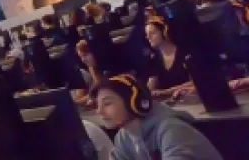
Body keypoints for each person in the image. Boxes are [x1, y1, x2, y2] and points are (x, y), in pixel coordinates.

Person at [92, 74, 222, 159]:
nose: (99, 111)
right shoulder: (123, 137)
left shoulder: (171, 129)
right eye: (98, 105)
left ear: (135, 102)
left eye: (107, 104)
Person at [145, 17, 192, 99]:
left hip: (189, 99)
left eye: (152, 33)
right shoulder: (154, 58)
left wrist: (166, 92)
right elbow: (151, 87)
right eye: (147, 35)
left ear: (165, 32)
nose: (148, 37)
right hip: (168, 102)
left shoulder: (185, 53)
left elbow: (195, 82)